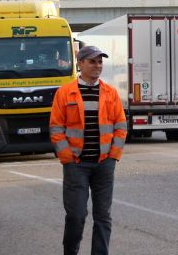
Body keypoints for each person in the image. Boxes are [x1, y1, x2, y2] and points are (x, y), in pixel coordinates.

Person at [50, 45, 127, 255]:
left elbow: (121, 126)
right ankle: (70, 251)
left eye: (100, 62)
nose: (97, 65)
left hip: (104, 164)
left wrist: (113, 156)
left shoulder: (110, 93)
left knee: (103, 216)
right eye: (92, 61)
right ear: (81, 63)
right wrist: (66, 156)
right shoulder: (65, 93)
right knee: (76, 215)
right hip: (76, 164)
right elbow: (56, 127)